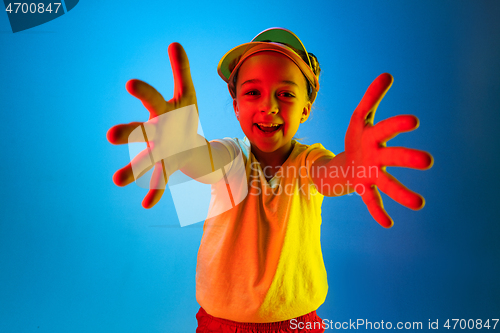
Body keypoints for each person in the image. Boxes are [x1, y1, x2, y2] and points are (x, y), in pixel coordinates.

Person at [107, 28, 433, 333]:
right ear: (235, 106)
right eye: (253, 92)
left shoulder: (309, 161)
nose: (269, 106)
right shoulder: (231, 156)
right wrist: (183, 149)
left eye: (286, 94)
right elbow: (203, 160)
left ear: (306, 109)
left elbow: (332, 176)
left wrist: (354, 167)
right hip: (222, 324)